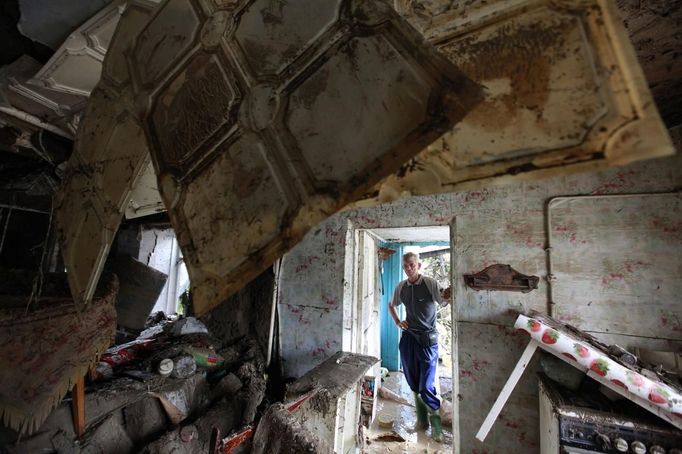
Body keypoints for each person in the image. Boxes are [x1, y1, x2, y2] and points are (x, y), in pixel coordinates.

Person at [388, 252, 451, 441]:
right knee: (413, 382)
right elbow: (391, 305)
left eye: (411, 265)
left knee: (426, 384)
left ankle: (437, 427)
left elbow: (444, 300)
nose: (408, 268)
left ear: (419, 265)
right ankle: (422, 422)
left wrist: (448, 294)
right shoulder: (402, 287)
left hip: (427, 340)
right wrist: (398, 321)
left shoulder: (429, 283)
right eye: (405, 266)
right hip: (409, 339)